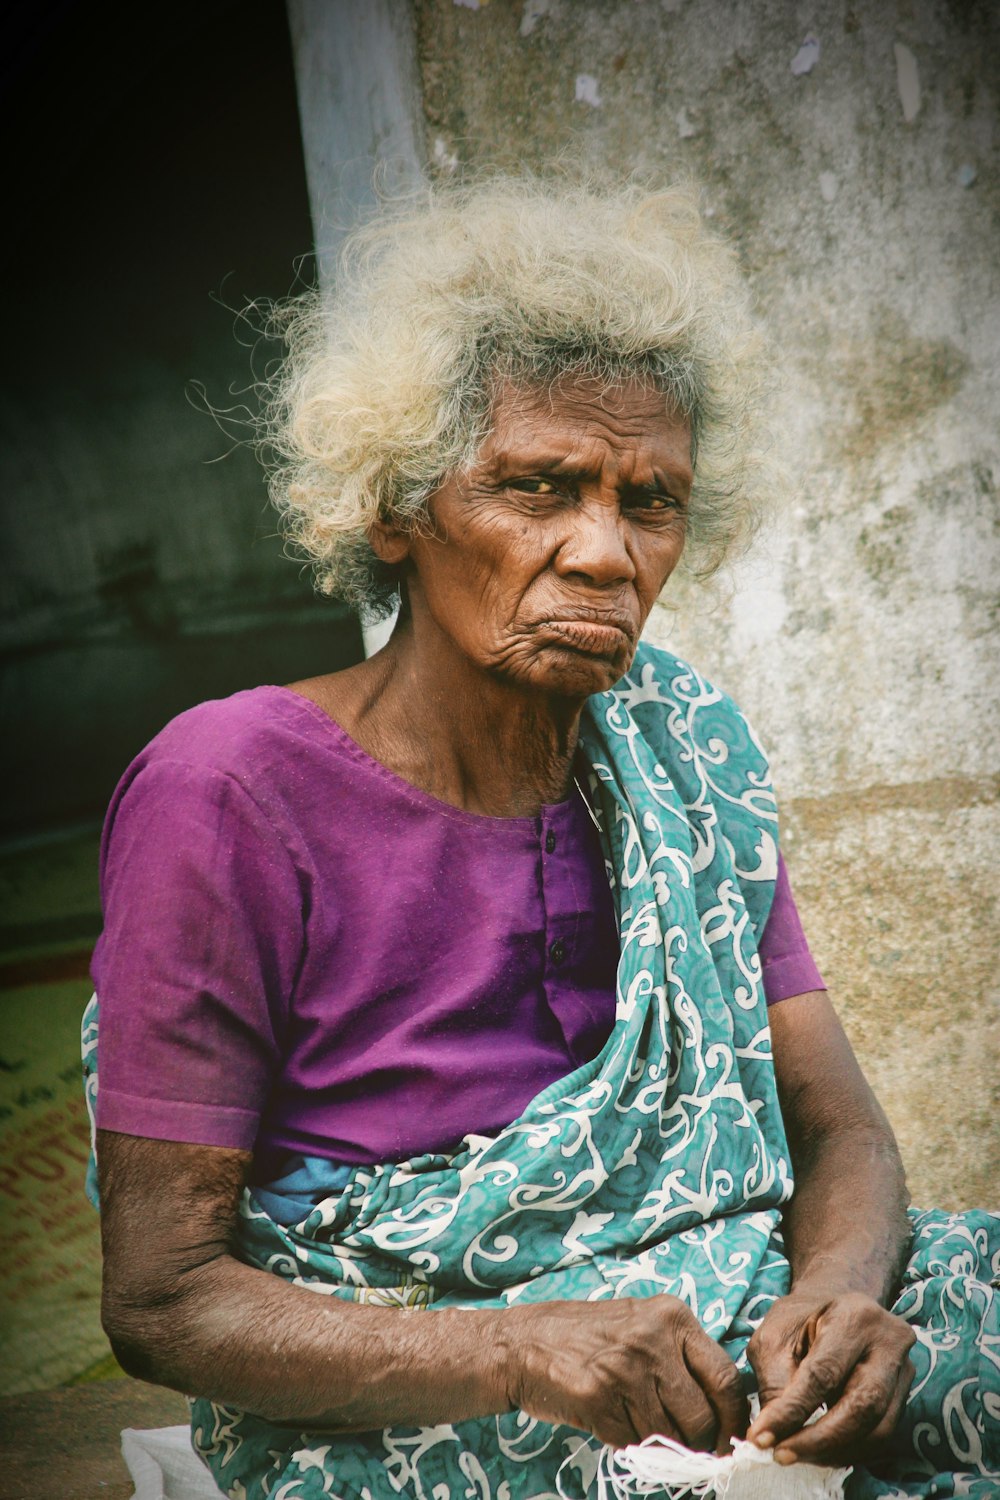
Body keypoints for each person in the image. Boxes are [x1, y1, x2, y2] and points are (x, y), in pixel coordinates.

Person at [84, 177, 998, 1500]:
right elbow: (162, 1301)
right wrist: (518, 1352)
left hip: (731, 1334)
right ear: (393, 509)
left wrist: (838, 1302)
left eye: (649, 500)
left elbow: (837, 1129)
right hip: (431, 1398)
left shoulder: (684, 748)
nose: (604, 551)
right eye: (538, 486)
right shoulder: (228, 793)